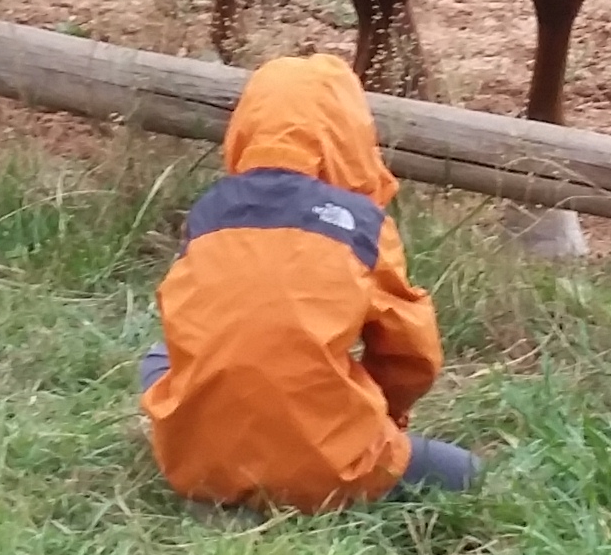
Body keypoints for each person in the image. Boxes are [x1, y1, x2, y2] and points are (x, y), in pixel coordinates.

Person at [143, 52, 480, 507]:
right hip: (334, 472)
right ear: (351, 136)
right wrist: (384, 418)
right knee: (468, 473)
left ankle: (212, 466)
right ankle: (311, 477)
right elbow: (413, 355)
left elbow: (186, 319)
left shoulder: (208, 214)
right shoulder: (363, 227)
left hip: (195, 469)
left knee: (161, 352)